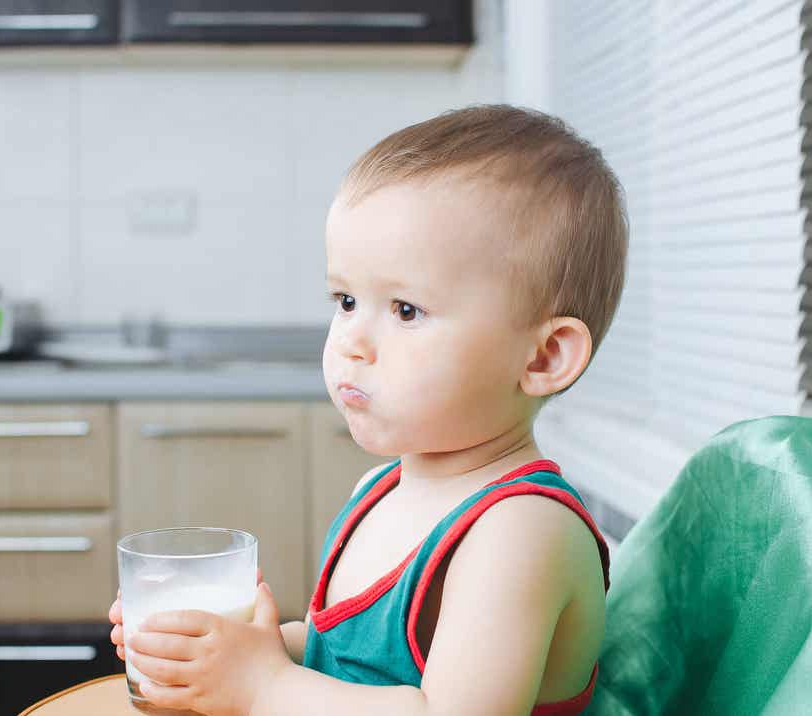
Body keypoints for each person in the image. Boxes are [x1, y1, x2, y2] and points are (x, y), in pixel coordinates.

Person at [108, 104, 627, 716]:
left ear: (543, 357)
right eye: (346, 299)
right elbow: (347, 662)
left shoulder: (520, 532)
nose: (350, 340)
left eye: (406, 309)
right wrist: (235, 652)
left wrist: (265, 685)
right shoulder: (378, 490)